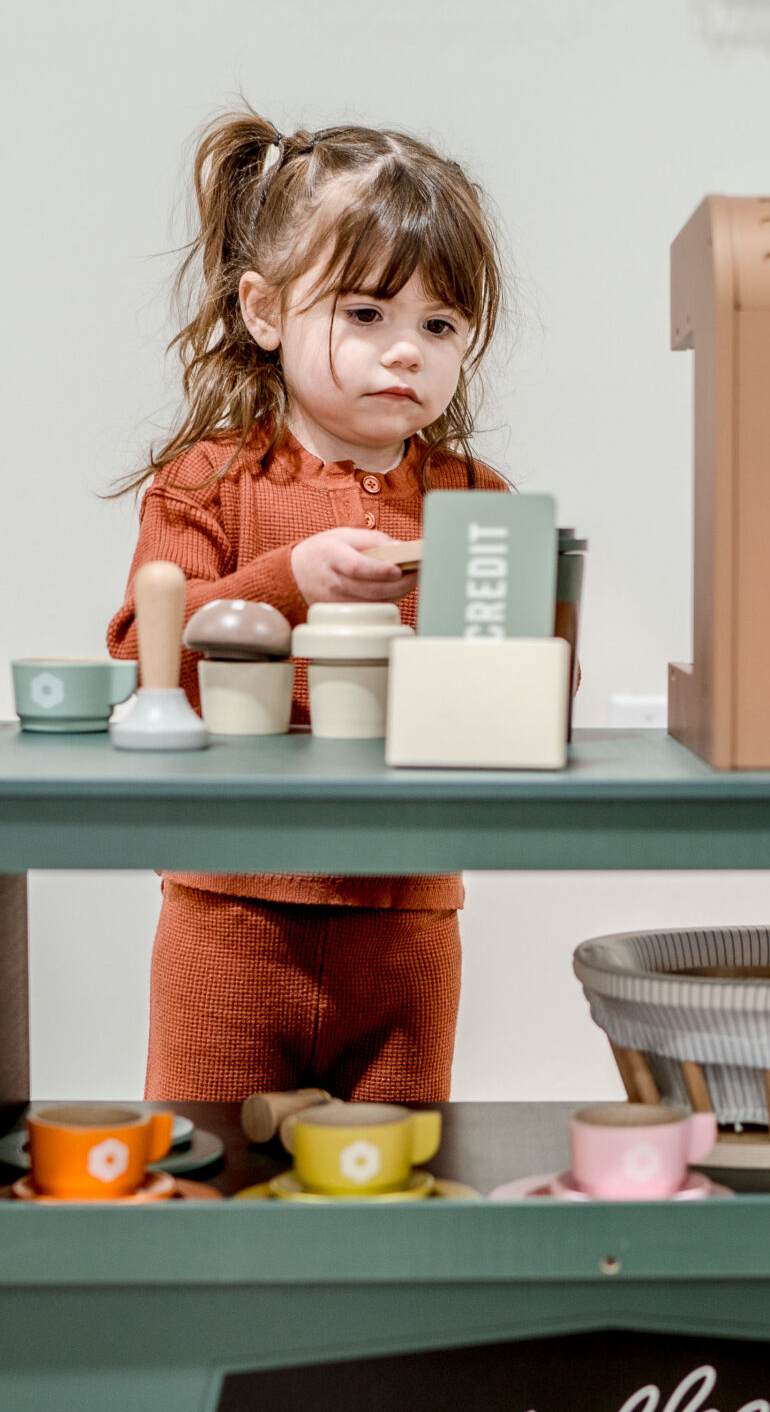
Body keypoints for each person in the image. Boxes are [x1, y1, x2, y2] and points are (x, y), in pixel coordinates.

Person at [108, 111, 508, 1105]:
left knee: (395, 1198)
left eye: (440, 324)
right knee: (209, 1193)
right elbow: (143, 653)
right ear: (266, 310)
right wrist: (289, 579)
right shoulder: (204, 482)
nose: (406, 351)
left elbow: (521, 692)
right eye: (367, 313)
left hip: (408, 923)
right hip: (229, 913)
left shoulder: (473, 502)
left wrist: (520, 631)